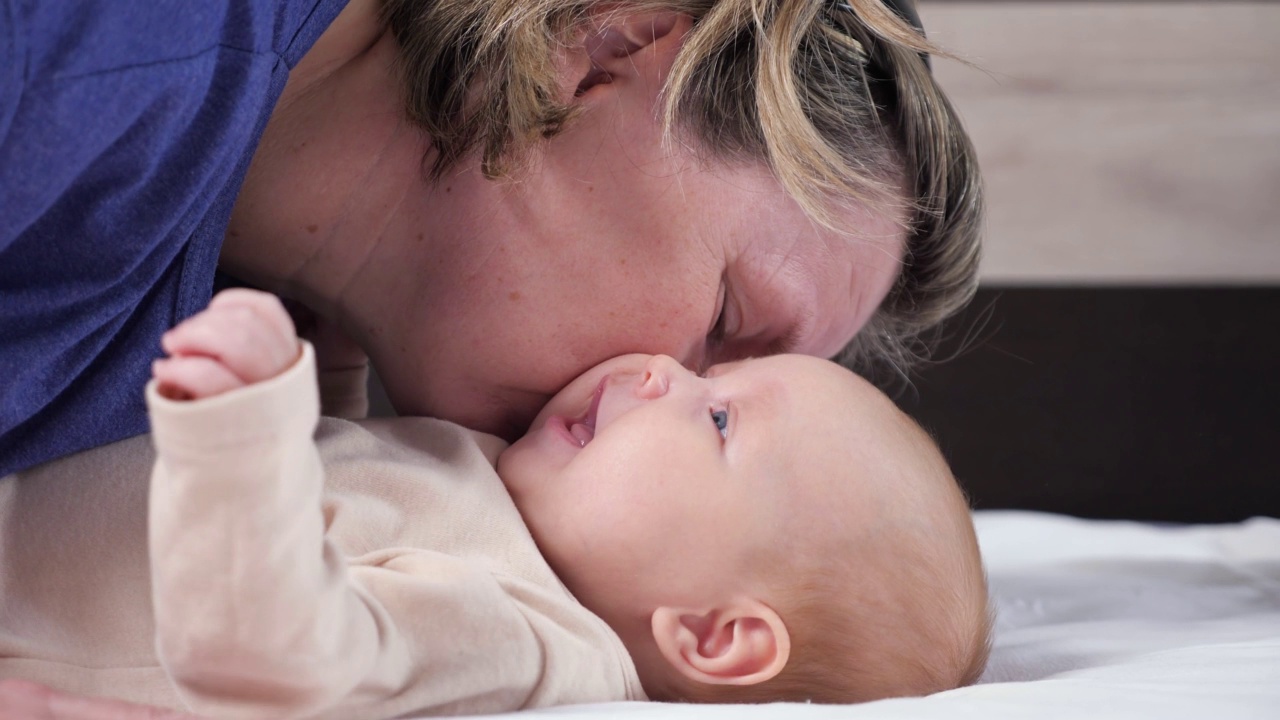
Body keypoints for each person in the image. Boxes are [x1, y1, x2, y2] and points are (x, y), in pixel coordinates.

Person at [0, 0, 983, 477]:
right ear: (612, 46)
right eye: (726, 321)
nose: (672, 396)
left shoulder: (244, 375)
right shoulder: (93, 49)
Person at [0, 289, 993, 716]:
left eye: (719, 421)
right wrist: (334, 376)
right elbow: (351, 509)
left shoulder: (517, 635)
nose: (659, 369)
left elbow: (270, 657)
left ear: (712, 638)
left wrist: (241, 433)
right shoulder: (512, 509)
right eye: (699, 372)